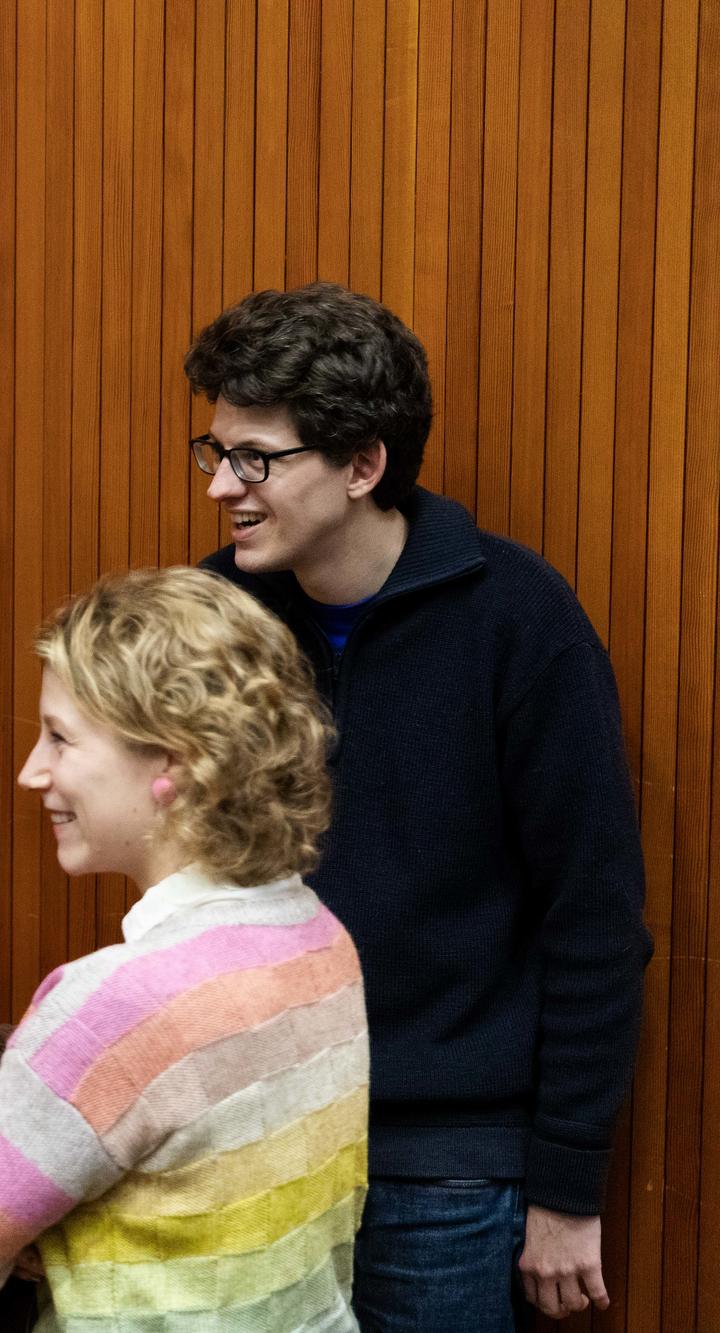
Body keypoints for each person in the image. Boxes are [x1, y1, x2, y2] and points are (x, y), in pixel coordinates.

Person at [183, 281, 651, 1328]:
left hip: (442, 1173)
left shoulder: (517, 619)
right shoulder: (212, 617)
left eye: (254, 458)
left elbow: (592, 918)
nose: (220, 485)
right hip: (247, 1147)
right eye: (214, 451)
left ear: (361, 466)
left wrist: (566, 1186)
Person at [0, 567, 367, 1330]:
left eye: (60, 737)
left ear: (172, 759)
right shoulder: (321, 941)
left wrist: (50, 1234)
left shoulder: (116, 1005)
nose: (31, 770)